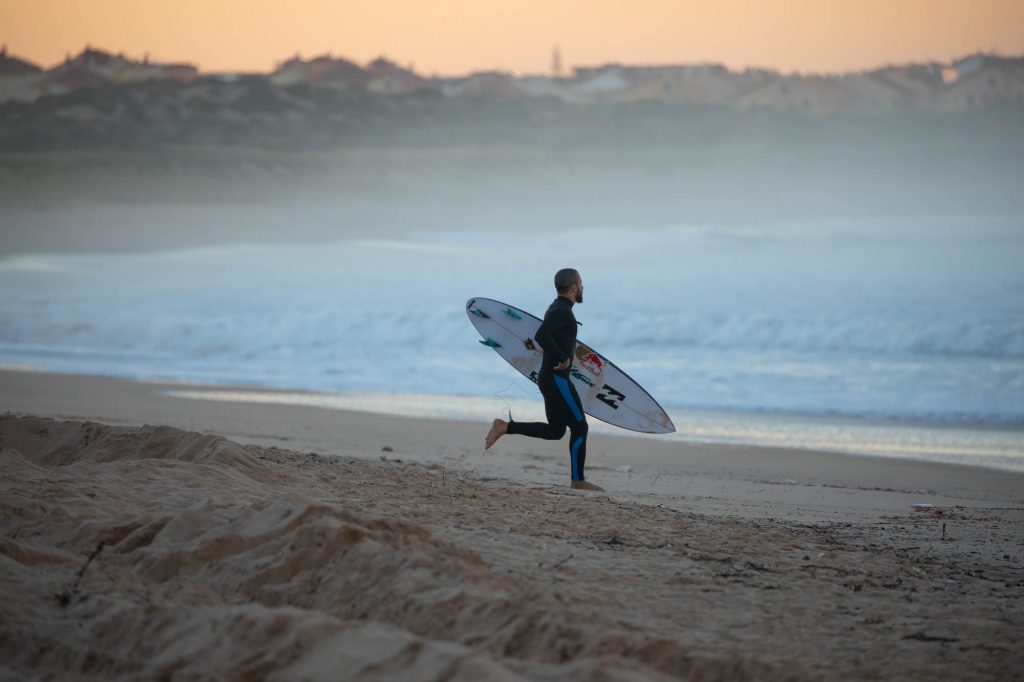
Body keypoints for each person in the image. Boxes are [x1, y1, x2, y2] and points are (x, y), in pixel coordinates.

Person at [484, 268, 604, 491]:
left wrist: (562, 355)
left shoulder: (557, 308)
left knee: (556, 430)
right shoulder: (562, 312)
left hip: (548, 379)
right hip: (557, 380)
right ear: (573, 287)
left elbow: (547, 336)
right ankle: (578, 480)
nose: (583, 288)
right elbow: (541, 335)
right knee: (580, 427)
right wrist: (562, 358)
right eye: (581, 284)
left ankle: (504, 427)